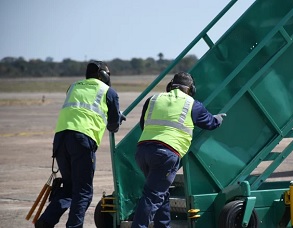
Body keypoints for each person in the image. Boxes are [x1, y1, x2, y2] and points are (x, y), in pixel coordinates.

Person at [35, 60, 125, 228]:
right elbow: (113, 126)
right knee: (83, 192)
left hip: (61, 139)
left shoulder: (73, 86)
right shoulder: (108, 92)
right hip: (82, 140)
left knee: (69, 188)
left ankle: (46, 221)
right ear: (104, 75)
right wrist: (118, 117)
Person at [131, 72, 225, 228]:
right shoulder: (192, 104)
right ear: (191, 89)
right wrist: (219, 119)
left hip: (143, 151)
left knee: (161, 192)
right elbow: (210, 123)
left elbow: (143, 124)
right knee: (153, 196)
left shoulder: (153, 99)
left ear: (170, 86)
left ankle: (163, 225)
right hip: (166, 154)